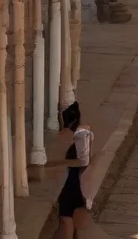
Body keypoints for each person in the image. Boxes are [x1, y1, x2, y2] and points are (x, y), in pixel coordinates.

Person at [55, 102, 93, 238]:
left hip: (70, 184)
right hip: (80, 184)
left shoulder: (70, 135)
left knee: (66, 222)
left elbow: (81, 162)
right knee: (70, 224)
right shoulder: (86, 132)